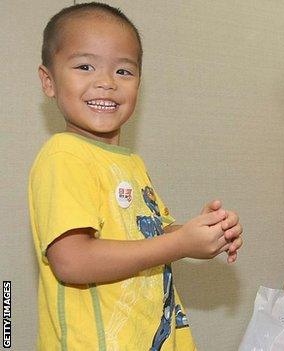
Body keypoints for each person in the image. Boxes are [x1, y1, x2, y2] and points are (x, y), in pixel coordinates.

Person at [29, 3, 243, 350]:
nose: (106, 83)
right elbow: (71, 260)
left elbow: (153, 232)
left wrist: (201, 232)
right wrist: (178, 243)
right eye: (85, 66)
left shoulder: (130, 162)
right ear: (48, 81)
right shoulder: (64, 155)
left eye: (124, 72)